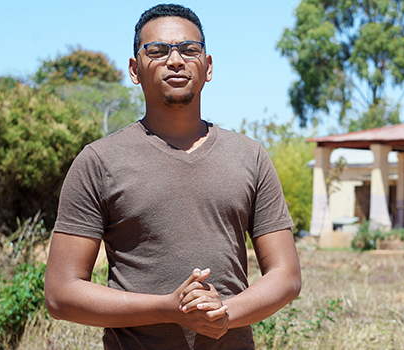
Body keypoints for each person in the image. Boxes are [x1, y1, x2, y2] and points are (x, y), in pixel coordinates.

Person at [44, 4, 301, 349]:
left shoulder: (249, 156)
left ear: (207, 67)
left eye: (190, 50)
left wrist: (224, 313)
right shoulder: (99, 162)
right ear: (135, 69)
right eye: (158, 50)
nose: (176, 60)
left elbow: (286, 277)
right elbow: (61, 294)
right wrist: (169, 308)